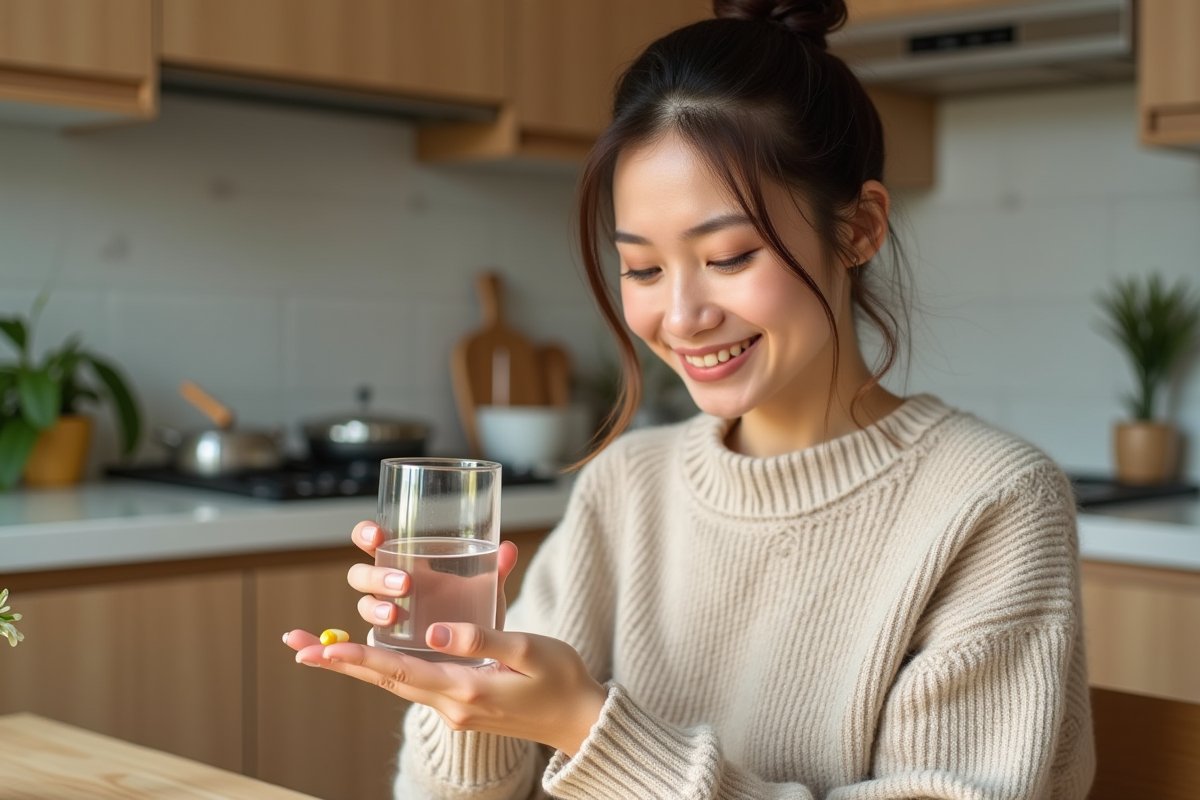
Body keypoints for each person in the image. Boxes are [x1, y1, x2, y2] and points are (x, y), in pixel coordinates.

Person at [285, 0, 1096, 797]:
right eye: (642, 269)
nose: (681, 317)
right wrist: (459, 673)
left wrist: (583, 725)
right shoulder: (626, 485)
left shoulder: (992, 501)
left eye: (731, 255)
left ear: (859, 228)